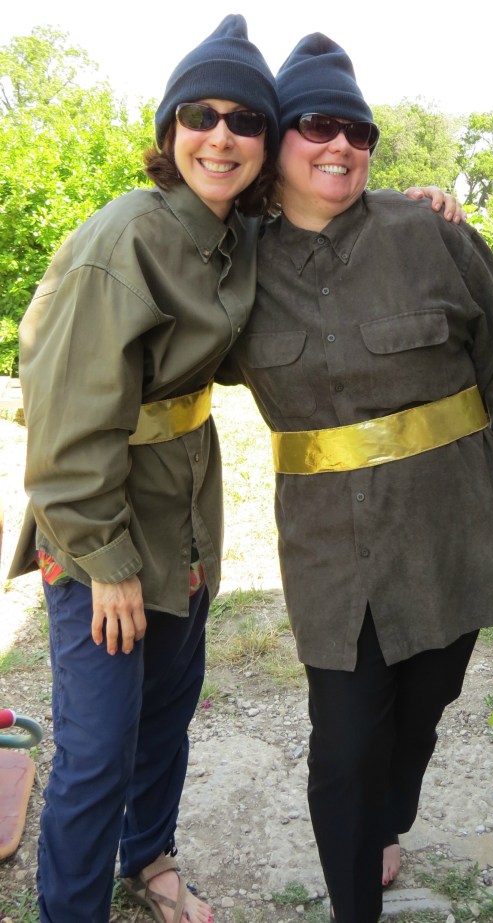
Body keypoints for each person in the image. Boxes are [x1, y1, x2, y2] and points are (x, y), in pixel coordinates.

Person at [216, 32, 493, 923]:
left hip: (452, 524)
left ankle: (388, 821)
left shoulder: (429, 231)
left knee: (426, 703)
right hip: (330, 543)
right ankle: (355, 901)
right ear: (277, 138)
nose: (341, 145)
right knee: (345, 741)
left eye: (359, 131)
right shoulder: (229, 258)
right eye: (318, 124)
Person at [7, 15, 280, 923]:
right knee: (95, 744)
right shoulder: (124, 237)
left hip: (186, 509)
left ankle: (149, 858)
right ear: (170, 130)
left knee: (167, 707)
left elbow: (333, 209)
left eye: (245, 120)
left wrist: (420, 198)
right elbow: (64, 422)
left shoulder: (236, 234)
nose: (222, 134)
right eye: (200, 113)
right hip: (104, 526)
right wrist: (106, 562)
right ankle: (71, 909)